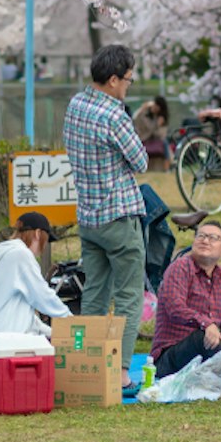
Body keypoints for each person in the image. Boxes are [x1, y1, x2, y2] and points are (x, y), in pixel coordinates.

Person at [63, 43, 147, 388]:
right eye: (128, 79)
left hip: (88, 217)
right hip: (119, 215)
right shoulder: (114, 115)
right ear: (113, 80)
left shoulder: (75, 104)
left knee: (95, 292)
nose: (129, 85)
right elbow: (141, 162)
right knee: (129, 295)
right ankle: (122, 370)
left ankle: (87, 364)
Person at [151, 219, 221, 380]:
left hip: (207, 355)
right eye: (201, 236)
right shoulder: (180, 267)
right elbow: (174, 308)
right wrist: (206, 324)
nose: (205, 240)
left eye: (213, 238)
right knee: (202, 337)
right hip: (171, 360)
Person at [0, 212, 72, 337]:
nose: (44, 247)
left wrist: (54, 333)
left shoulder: (5, 256)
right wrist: (72, 321)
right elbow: (43, 296)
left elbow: (26, 316)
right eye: (46, 240)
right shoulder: (21, 255)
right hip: (10, 338)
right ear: (38, 234)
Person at [133, 96, 170, 170]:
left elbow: (161, 134)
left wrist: (159, 125)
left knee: (165, 143)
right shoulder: (145, 113)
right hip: (143, 138)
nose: (154, 108)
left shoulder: (161, 118)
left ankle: (167, 168)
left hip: (155, 140)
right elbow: (147, 127)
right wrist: (156, 124)